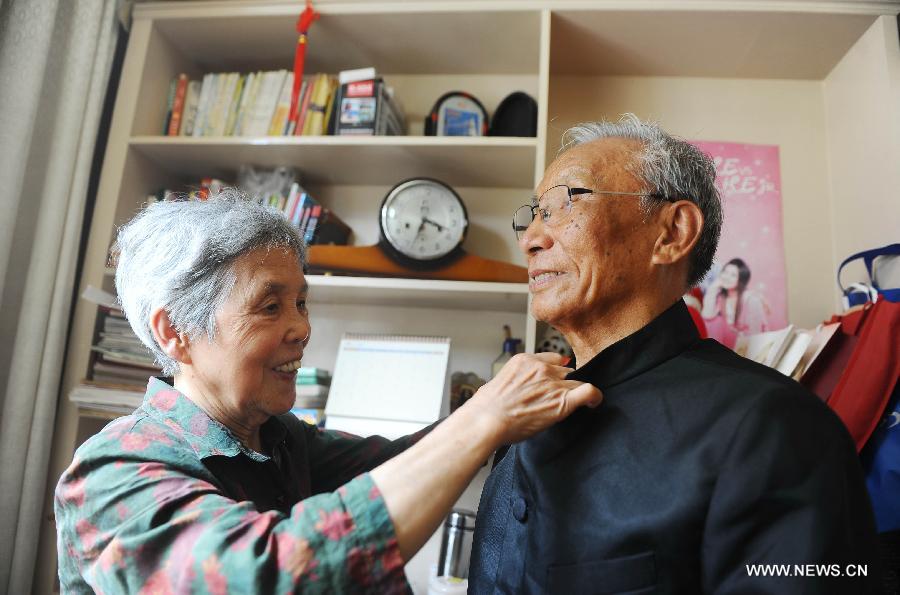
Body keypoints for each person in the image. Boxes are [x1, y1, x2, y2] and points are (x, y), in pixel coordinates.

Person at [54, 192, 601, 593]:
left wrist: (501, 408)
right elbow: (266, 574)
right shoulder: (110, 475)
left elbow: (398, 461)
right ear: (176, 332)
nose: (301, 328)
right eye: (270, 306)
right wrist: (484, 416)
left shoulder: (280, 439)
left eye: (301, 302)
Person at [471, 115, 878, 594]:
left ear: (671, 232)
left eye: (566, 202)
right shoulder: (519, 415)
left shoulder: (776, 427)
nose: (530, 240)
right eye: (535, 213)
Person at [702, 257, 769, 348]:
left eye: (733, 275)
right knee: (715, 322)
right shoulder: (721, 297)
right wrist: (714, 287)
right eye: (725, 272)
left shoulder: (751, 300)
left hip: (751, 348)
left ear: (741, 280)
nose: (726, 277)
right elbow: (707, 317)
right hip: (731, 346)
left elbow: (755, 335)